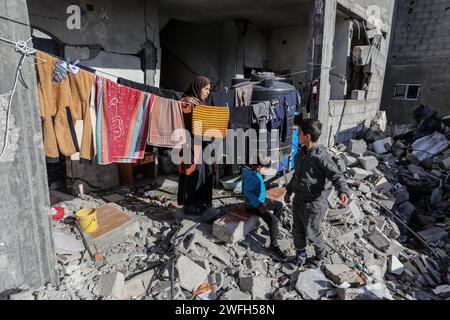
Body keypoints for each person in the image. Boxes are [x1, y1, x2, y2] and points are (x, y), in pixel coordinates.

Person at [284, 119, 351, 267]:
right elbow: (296, 176)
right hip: (299, 201)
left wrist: (343, 191)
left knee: (313, 233)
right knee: (297, 230)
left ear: (307, 136)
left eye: (299, 132)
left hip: (314, 204)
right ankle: (301, 254)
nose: (297, 135)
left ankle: (320, 257)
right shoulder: (300, 154)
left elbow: (336, 175)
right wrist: (289, 191)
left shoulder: (321, 156)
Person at [177, 76, 214, 215]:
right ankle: (190, 205)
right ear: (197, 87)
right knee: (191, 173)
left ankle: (201, 202)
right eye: (205, 89)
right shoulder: (186, 101)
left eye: (209, 89)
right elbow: (175, 107)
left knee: (203, 174)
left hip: (203, 144)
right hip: (190, 144)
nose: (208, 92)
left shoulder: (203, 103)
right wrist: (184, 101)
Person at [242, 157, 287, 262]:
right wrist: (259, 205)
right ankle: (273, 246)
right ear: (255, 165)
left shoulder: (253, 171)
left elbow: (257, 187)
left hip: (261, 200)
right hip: (253, 205)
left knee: (279, 205)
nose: (262, 169)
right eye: (261, 167)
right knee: (273, 220)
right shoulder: (249, 176)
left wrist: (264, 196)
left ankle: (272, 230)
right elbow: (248, 194)